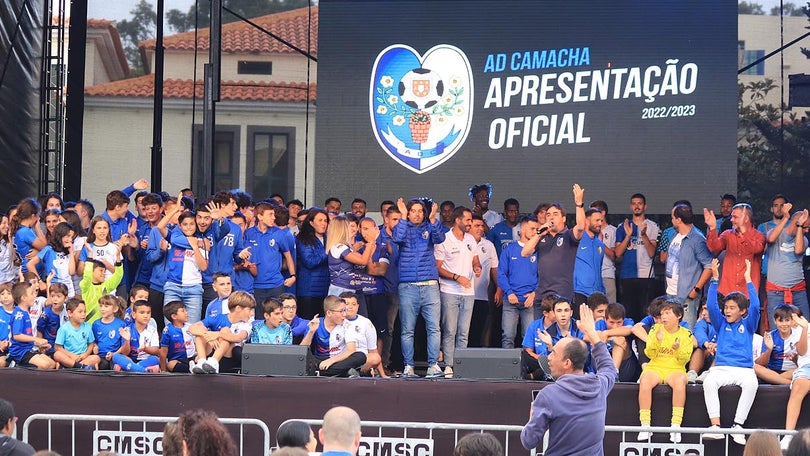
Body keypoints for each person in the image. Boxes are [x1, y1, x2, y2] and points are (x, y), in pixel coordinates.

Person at [520, 303, 615, 454]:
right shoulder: (599, 386)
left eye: (554, 353)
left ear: (567, 363)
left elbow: (529, 440)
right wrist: (592, 333)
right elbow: (609, 368)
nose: (548, 358)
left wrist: (533, 416)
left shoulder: (548, 395)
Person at [701, 259, 759, 445]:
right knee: (709, 381)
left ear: (742, 311)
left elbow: (756, 306)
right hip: (722, 368)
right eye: (726, 307)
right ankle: (716, 427)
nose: (727, 310)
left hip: (744, 369)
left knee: (752, 384)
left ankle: (737, 426)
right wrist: (714, 279)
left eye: (732, 308)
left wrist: (748, 279)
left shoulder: (749, 325)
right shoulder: (720, 323)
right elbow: (711, 306)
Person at [393, 197, 445, 378]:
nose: (417, 214)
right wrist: (402, 216)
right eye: (413, 210)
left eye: (420, 211)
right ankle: (408, 367)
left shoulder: (428, 227)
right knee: (408, 329)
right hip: (408, 286)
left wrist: (432, 219)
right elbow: (397, 238)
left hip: (430, 285)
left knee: (434, 328)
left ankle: (433, 366)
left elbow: (440, 237)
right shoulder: (403, 227)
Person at [636, 300, 693, 443]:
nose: (664, 317)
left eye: (667, 313)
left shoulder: (686, 334)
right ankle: (645, 425)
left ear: (679, 315)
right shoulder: (656, 329)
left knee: (680, 382)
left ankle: (675, 426)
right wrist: (657, 340)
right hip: (655, 366)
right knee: (645, 380)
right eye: (662, 314)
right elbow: (649, 354)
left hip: (675, 369)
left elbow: (684, 360)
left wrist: (677, 349)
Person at [435, 206, 481, 378]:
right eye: (468, 220)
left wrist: (477, 267)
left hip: (469, 292)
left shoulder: (470, 239)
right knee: (450, 330)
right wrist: (456, 277)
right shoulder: (444, 239)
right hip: (449, 291)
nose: (470, 223)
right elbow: (437, 268)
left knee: (464, 332)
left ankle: (460, 365)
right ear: (457, 220)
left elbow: (476, 260)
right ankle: (449, 365)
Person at [521, 184, 586, 303]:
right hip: (542, 294)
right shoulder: (541, 237)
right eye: (548, 215)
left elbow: (581, 226)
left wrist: (579, 204)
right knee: (541, 322)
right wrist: (539, 234)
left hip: (562, 293)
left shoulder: (568, 235)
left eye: (555, 214)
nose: (551, 218)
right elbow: (525, 252)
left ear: (563, 218)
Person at [664, 203, 713, 327]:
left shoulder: (697, 239)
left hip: (686, 295)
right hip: (671, 292)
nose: (672, 220)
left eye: (673, 218)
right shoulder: (676, 235)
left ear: (679, 220)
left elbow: (709, 265)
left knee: (686, 332)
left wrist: (696, 289)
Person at [615, 193, 660, 323]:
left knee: (645, 313)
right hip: (627, 276)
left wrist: (643, 235)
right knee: (628, 312)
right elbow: (617, 253)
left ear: (645, 206)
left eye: (639, 203)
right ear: (631, 206)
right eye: (634, 203)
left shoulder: (652, 226)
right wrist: (628, 236)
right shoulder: (623, 226)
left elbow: (652, 253)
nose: (637, 206)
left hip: (646, 276)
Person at [763, 202, 809, 329]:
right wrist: (786, 218)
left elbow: (798, 250)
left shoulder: (803, 239)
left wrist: (800, 227)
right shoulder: (776, 232)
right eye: (805, 226)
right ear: (796, 223)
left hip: (797, 290)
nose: (807, 230)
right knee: (776, 328)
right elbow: (771, 238)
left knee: (804, 327)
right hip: (776, 291)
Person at [704, 203, 766, 298]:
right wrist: (712, 228)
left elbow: (756, 249)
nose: (731, 220)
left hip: (747, 292)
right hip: (727, 290)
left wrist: (743, 231)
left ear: (745, 219)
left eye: (735, 217)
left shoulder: (759, 236)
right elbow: (714, 248)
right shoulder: (728, 234)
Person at [189, 290, 254, 374]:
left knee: (225, 330)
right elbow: (192, 328)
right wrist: (208, 336)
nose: (252, 314)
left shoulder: (247, 325)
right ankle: (202, 362)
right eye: (249, 310)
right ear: (238, 308)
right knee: (201, 331)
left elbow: (238, 338)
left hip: (229, 357)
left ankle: (214, 362)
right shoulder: (218, 318)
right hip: (213, 349)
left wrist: (217, 334)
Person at [498, 215, 539, 348]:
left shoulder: (538, 251)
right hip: (510, 300)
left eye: (537, 229)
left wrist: (534, 293)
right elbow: (501, 273)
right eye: (532, 228)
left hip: (530, 301)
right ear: (522, 229)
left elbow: (543, 275)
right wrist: (509, 292)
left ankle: (527, 368)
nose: (535, 232)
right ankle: (506, 368)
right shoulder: (509, 249)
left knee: (529, 338)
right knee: (508, 337)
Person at [303, 295, 366, 377]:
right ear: (329, 313)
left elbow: (351, 350)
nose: (344, 315)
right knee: (306, 358)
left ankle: (321, 373)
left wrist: (331, 361)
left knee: (361, 356)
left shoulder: (347, 325)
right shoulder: (316, 323)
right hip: (320, 360)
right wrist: (311, 332)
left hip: (340, 359)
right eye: (341, 311)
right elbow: (302, 350)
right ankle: (343, 372)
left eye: (345, 311)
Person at [780, 311, 810, 450]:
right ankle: (788, 435)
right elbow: (802, 352)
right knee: (798, 386)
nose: (791, 321)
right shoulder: (799, 330)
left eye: (792, 318)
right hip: (806, 368)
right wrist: (804, 329)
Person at [9, 282, 55, 369]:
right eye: (31, 293)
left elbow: (27, 337)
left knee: (52, 364)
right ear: (23, 298)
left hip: (29, 349)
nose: (34, 296)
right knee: (44, 365)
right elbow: (17, 336)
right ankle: (18, 366)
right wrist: (36, 339)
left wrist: (39, 344)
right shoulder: (19, 314)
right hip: (20, 352)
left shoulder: (26, 312)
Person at [296, 208, 329, 320]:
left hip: (325, 289)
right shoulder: (303, 238)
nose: (323, 223)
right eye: (320, 220)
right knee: (308, 324)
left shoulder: (328, 238)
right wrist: (328, 252)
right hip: (308, 290)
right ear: (311, 222)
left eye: (325, 220)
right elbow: (309, 261)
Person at [755, 304, 801, 385]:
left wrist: (795, 360)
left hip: (791, 371)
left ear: (792, 320)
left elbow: (803, 363)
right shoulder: (770, 336)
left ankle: (774, 379)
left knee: (805, 369)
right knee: (756, 368)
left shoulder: (799, 335)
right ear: (775, 321)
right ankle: (791, 384)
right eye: (780, 321)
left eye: (787, 320)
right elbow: (761, 363)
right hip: (772, 371)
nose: (784, 324)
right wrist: (769, 349)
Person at [112, 300, 160, 372]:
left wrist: (145, 349)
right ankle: (144, 370)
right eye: (142, 313)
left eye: (148, 313)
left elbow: (156, 351)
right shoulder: (127, 329)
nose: (146, 316)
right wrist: (127, 340)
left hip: (145, 360)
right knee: (116, 357)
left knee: (155, 359)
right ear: (134, 315)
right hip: (130, 359)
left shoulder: (152, 330)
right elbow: (125, 353)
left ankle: (128, 368)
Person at [53, 297, 100, 370]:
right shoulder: (64, 329)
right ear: (70, 313)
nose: (83, 314)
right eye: (80, 312)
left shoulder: (87, 327)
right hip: (69, 357)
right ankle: (80, 367)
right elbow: (58, 348)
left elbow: (91, 344)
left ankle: (70, 367)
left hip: (82, 358)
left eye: (84, 311)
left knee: (96, 358)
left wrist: (86, 354)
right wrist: (72, 356)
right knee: (57, 355)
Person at [573, 207, 606, 307]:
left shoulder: (600, 244)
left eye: (601, 220)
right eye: (597, 220)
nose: (600, 223)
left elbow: (599, 269)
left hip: (597, 294)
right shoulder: (576, 239)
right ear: (586, 221)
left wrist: (602, 290)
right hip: (579, 293)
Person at [90, 295, 130, 370]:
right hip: (100, 357)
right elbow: (93, 341)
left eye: (106, 306)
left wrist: (114, 354)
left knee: (118, 364)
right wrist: (95, 346)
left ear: (115, 309)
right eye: (101, 306)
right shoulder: (96, 324)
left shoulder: (121, 324)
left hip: (115, 356)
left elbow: (123, 346)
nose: (102, 309)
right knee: (102, 365)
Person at [590, 201, 617, 303]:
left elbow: (614, 255)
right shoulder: (588, 232)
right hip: (592, 276)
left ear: (603, 213)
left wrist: (601, 243)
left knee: (610, 307)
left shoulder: (613, 231)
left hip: (607, 274)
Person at [159, 301, 196, 373]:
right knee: (170, 365)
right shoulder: (167, 330)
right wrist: (163, 369)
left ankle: (193, 367)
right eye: (183, 311)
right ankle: (190, 369)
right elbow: (163, 350)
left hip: (192, 358)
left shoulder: (190, 327)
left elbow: (196, 343)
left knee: (199, 359)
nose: (186, 313)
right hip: (177, 360)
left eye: (186, 310)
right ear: (174, 316)